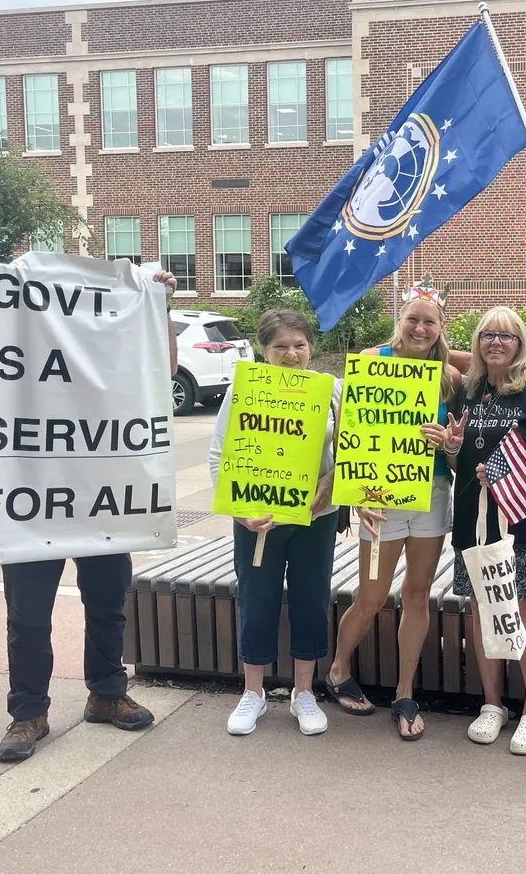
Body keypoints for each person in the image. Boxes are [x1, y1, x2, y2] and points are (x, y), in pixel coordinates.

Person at [0, 253, 178, 763]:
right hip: (30, 500)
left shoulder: (110, 347)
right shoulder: (8, 339)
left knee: (107, 604)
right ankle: (28, 712)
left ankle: (107, 693)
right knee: (28, 616)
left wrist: (158, 305)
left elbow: (163, 368)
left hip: (102, 499)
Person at [324, 276, 462, 741]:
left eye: (429, 322)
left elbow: (457, 452)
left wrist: (449, 445)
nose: (420, 329)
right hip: (379, 499)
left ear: (441, 327)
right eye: (412, 319)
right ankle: (338, 669)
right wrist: (356, 494)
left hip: (430, 494)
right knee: (372, 596)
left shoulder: (449, 378)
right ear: (398, 321)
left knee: (418, 593)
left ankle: (405, 692)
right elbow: (350, 435)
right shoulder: (370, 362)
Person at [208, 309, 341, 738]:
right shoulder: (244, 390)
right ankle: (254, 692)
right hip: (258, 520)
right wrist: (240, 511)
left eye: (299, 345)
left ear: (311, 348)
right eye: (280, 346)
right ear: (263, 351)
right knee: (257, 598)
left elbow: (352, 450)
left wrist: (332, 478)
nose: (291, 354)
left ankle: (304, 692)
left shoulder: (331, 391)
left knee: (311, 597)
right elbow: (218, 456)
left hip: (314, 518)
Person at [441, 307, 526, 756]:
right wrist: (454, 450)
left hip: (524, 522)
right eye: (488, 335)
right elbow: (461, 461)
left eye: (507, 336)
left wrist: (502, 474)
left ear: (520, 344)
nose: (497, 342)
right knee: (480, 610)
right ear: (477, 342)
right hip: (473, 521)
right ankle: (492, 704)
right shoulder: (470, 390)